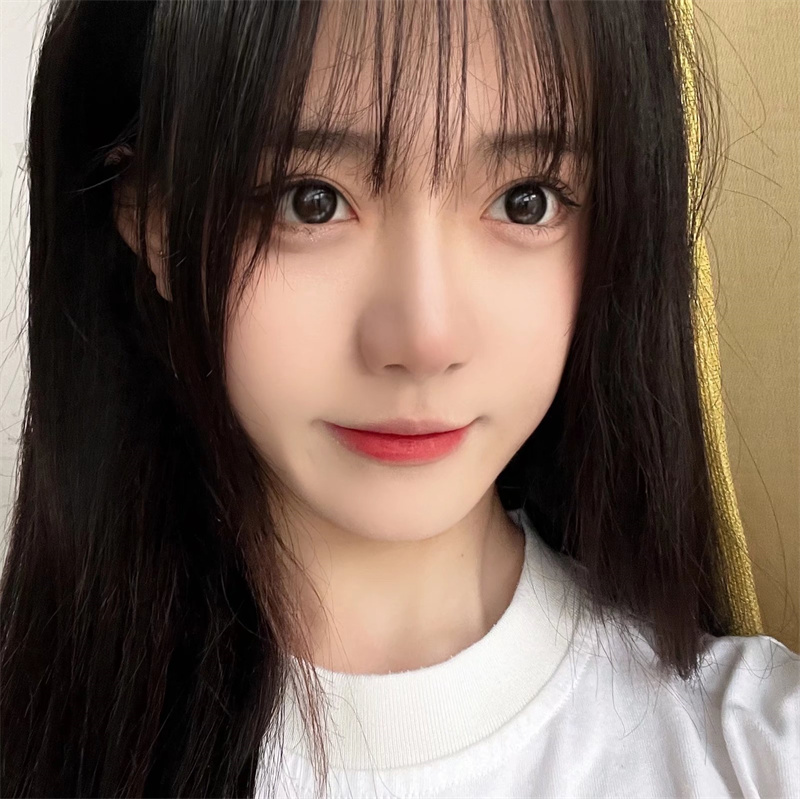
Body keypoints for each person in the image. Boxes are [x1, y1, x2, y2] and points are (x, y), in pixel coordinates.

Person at [0, 0, 797, 797]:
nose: (424, 338)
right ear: (154, 221)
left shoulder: (757, 754)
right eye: (309, 200)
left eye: (526, 199)